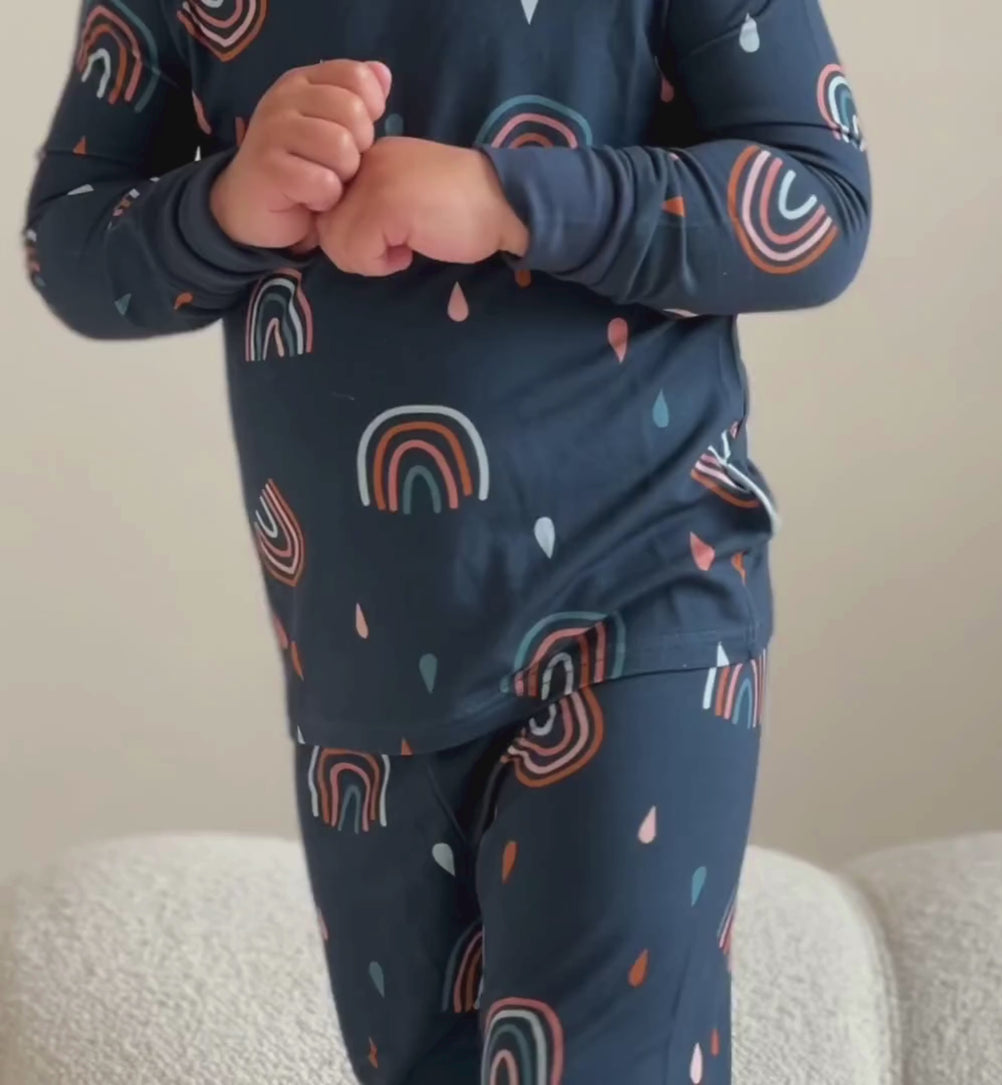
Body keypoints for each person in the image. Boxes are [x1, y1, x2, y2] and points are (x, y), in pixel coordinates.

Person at [25, 0, 870, 1080]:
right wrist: (226, 204)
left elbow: (819, 202)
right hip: (358, 677)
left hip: (641, 604)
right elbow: (69, 241)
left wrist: (510, 199)